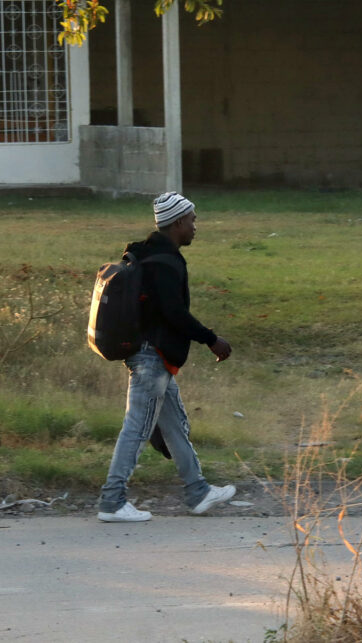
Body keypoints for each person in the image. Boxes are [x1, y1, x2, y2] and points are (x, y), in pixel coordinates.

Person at [97, 192, 236, 522]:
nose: (195, 226)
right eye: (192, 220)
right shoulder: (165, 263)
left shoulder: (148, 255)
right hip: (152, 359)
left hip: (154, 358)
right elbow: (175, 313)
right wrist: (211, 339)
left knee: (174, 427)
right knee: (136, 429)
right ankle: (112, 501)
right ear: (177, 223)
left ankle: (198, 492)